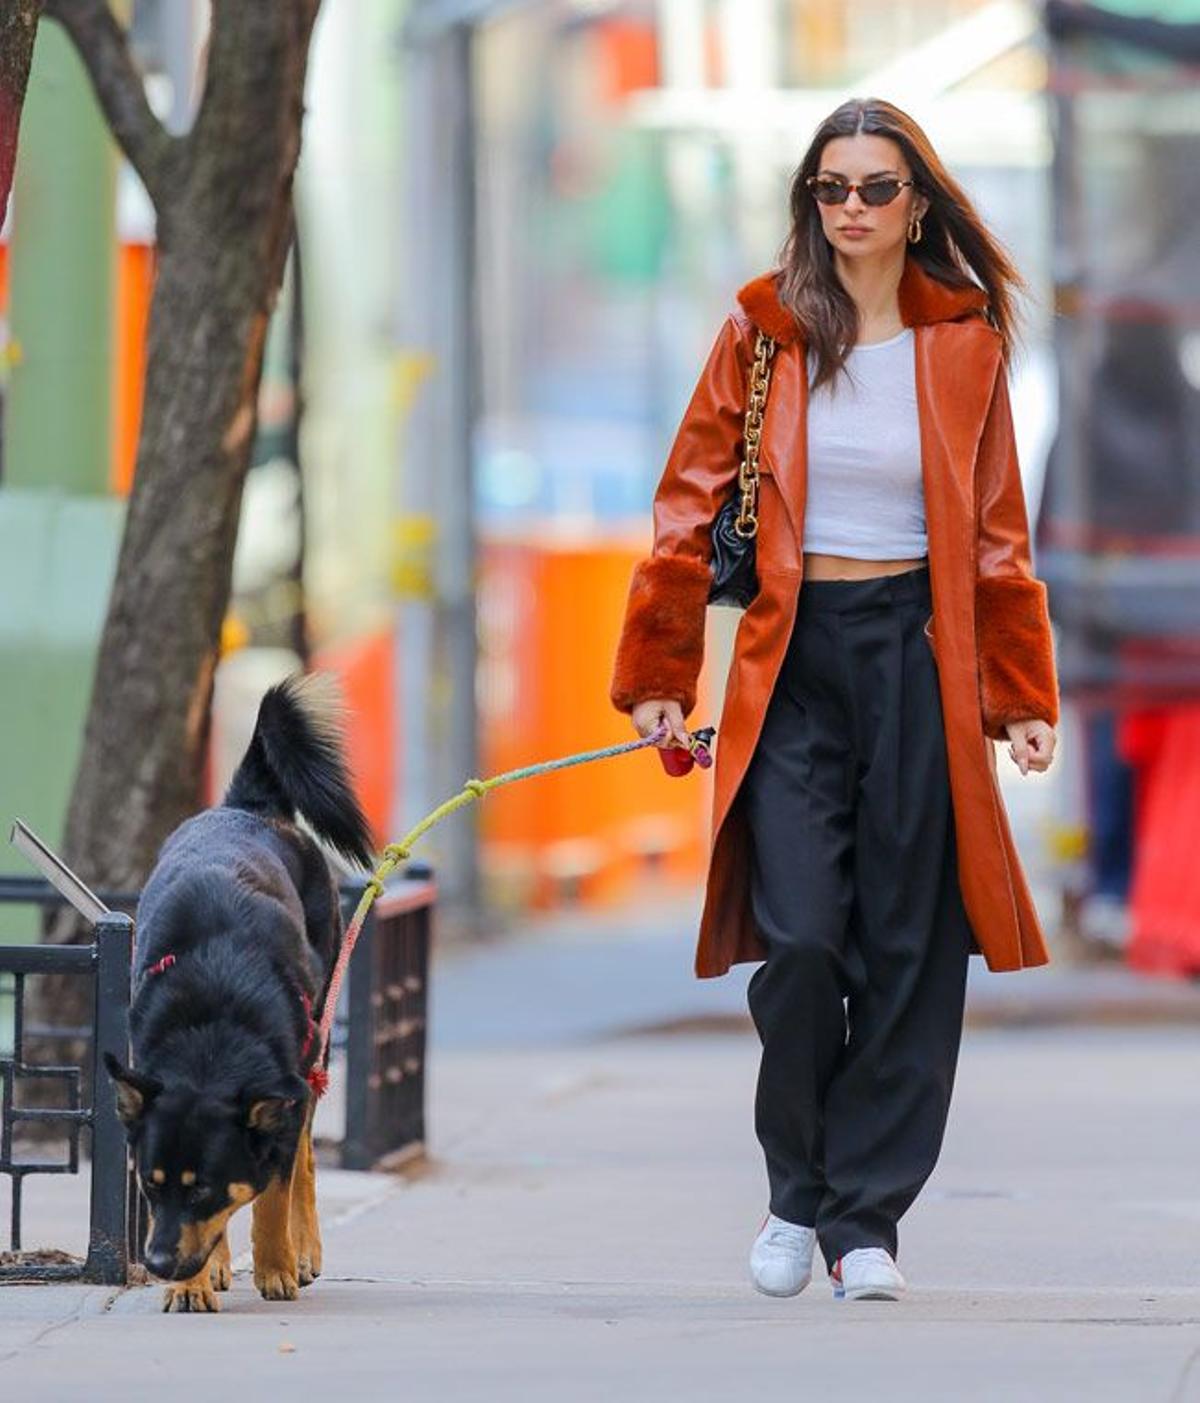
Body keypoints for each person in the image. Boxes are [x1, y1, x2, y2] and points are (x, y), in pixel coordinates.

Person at [608, 97, 1060, 1303]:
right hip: (791, 659)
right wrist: (659, 676)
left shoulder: (964, 339)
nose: (850, 208)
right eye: (831, 187)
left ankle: (868, 1223)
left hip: (919, 653)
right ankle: (792, 1188)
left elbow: (999, 535)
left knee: (912, 950)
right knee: (803, 940)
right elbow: (687, 505)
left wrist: (1019, 691)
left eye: (875, 187)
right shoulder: (762, 333)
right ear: (811, 200)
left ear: (919, 205)